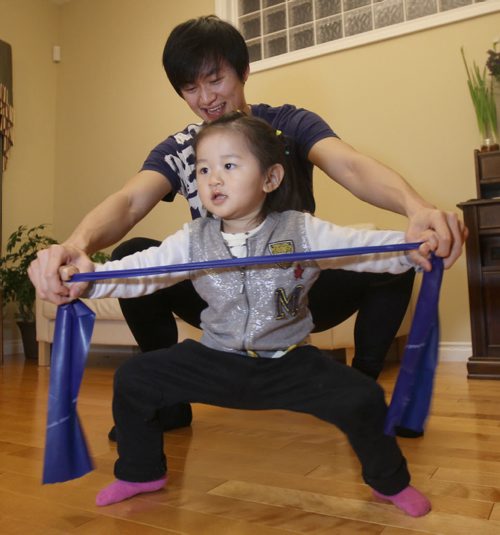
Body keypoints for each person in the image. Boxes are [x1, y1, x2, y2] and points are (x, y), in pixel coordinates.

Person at [28, 16, 466, 436]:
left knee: (402, 258)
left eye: (215, 79)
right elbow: (128, 202)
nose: (205, 97)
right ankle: (167, 402)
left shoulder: (288, 125)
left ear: (244, 71)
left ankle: (360, 394)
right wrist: (75, 244)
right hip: (221, 299)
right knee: (129, 254)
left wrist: (417, 208)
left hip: (295, 293)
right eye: (190, 87)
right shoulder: (183, 146)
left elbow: (350, 166)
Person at [70, 112, 433, 514]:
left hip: (289, 362)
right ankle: (141, 473)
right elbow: (139, 273)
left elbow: (366, 249)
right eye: (203, 169)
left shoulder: (301, 230)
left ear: (271, 178)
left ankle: (390, 483)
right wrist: (87, 280)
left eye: (228, 166)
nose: (213, 179)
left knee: (363, 397)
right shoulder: (193, 239)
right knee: (135, 378)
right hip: (216, 358)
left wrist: (412, 247)